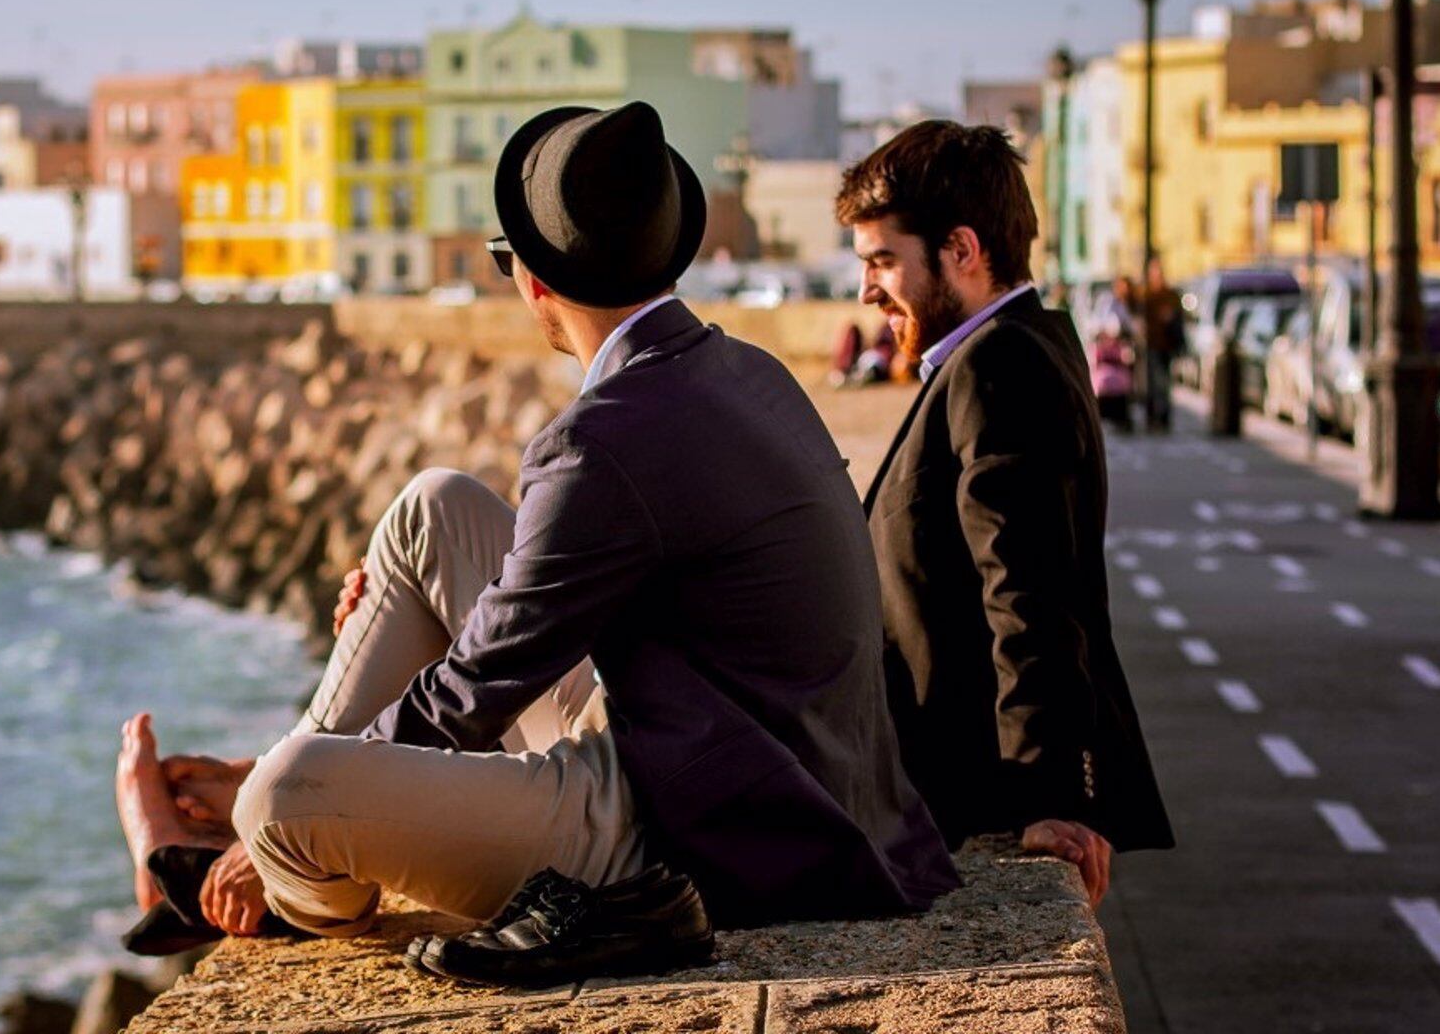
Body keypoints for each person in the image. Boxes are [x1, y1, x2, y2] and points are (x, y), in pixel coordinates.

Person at [114, 101, 957, 988]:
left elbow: (477, 688)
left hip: (692, 827)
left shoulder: (601, 438)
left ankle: (241, 867)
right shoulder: (745, 370)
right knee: (432, 507)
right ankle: (274, 807)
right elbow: (520, 634)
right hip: (746, 758)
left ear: (535, 282)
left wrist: (276, 807)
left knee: (291, 798)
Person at [836, 120, 1173, 908]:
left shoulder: (1001, 366)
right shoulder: (1023, 343)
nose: (865, 291)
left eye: (883, 260)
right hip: (948, 793)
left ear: (962, 250)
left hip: (977, 796)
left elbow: (1029, 588)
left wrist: (1044, 795)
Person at [1140, 259, 1184, 432]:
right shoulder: (1146, 295)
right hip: (1150, 344)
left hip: (1165, 345)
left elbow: (1177, 317)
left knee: (1163, 383)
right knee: (1150, 383)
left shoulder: (1170, 294)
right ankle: (1152, 417)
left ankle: (1163, 418)